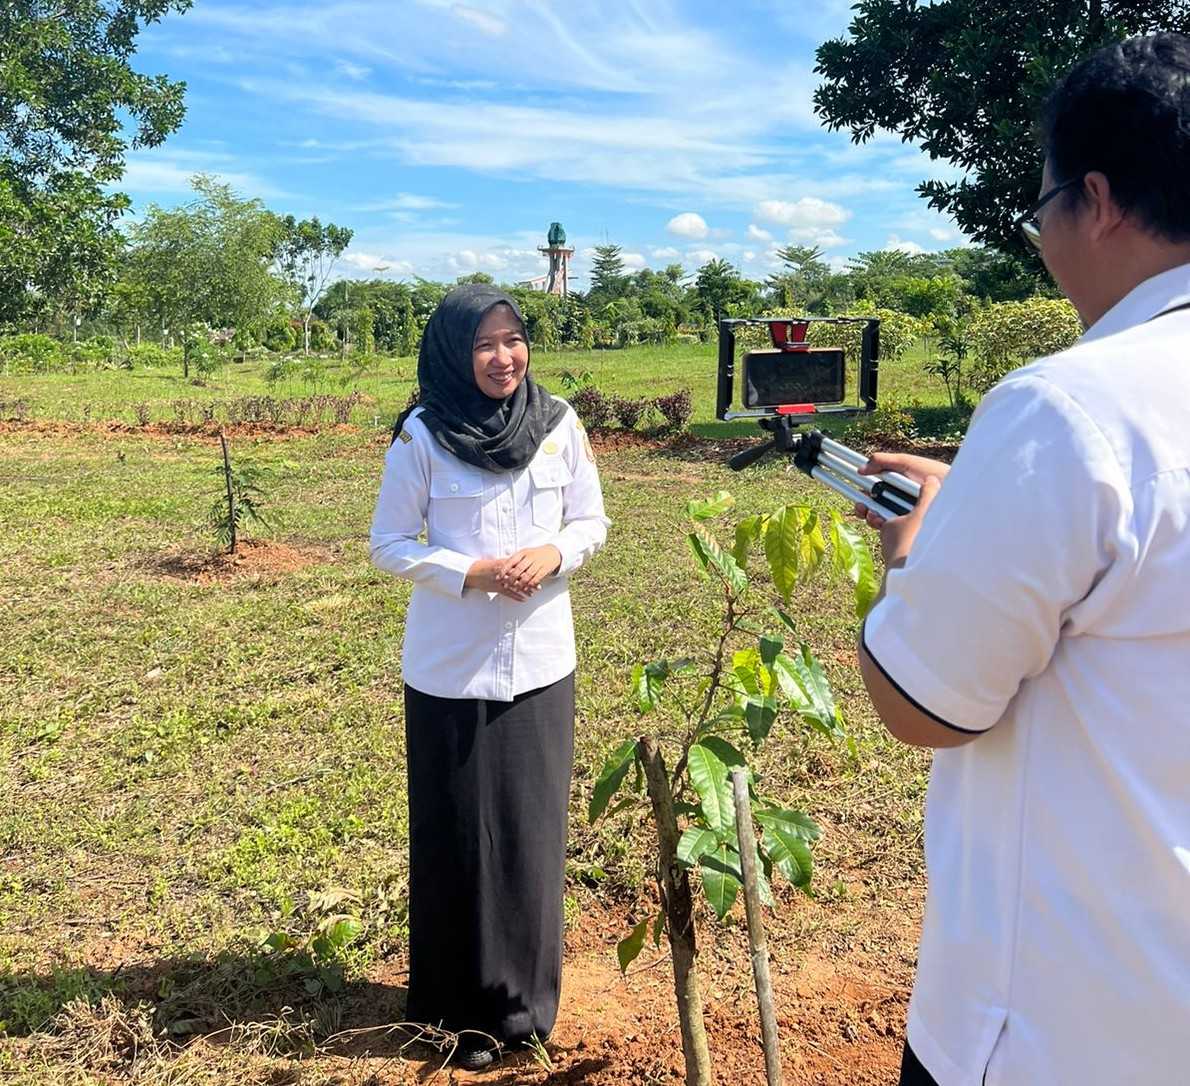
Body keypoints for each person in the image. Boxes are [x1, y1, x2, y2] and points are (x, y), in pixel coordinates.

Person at [854, 32, 1190, 1086]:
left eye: (1039, 204)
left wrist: (911, 546)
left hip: (1063, 1019)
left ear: (1093, 199)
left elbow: (924, 703)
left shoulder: (1067, 405)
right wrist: (992, 504)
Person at [369, 285, 609, 1070]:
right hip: (450, 668)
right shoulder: (421, 436)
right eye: (484, 344)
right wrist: (469, 572)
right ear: (452, 353)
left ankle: (524, 1012)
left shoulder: (559, 423)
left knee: (530, 837)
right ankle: (452, 1013)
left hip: (540, 662)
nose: (504, 357)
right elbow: (390, 544)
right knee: (457, 836)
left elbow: (590, 521)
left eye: (513, 339)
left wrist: (555, 554)